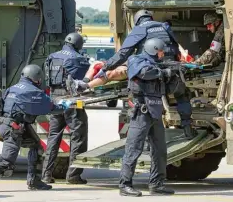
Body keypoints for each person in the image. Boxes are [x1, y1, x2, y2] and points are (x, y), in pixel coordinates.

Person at [70, 10, 197, 139]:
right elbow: (175, 48)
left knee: (143, 106)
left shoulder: (139, 30)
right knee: (182, 95)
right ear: (151, 17)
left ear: (137, 21)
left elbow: (122, 54)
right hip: (171, 72)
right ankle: (188, 129)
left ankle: (84, 85)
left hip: (150, 75)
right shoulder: (165, 27)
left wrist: (106, 67)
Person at [0, 64, 71, 192]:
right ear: (36, 78)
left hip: (14, 125)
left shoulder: (13, 88)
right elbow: (51, 108)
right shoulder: (32, 91)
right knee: (6, 163)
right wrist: (66, 105)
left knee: (36, 147)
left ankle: (34, 181)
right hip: (13, 128)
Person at [119, 38, 175, 197]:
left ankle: (157, 184)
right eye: (160, 51)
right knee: (133, 148)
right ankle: (125, 184)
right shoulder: (137, 60)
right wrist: (161, 72)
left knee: (160, 150)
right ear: (153, 49)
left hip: (155, 111)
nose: (162, 54)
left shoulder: (157, 63)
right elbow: (143, 72)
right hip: (141, 112)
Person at [41, 32, 90, 184]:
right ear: (78, 44)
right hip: (71, 99)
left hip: (55, 98)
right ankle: (73, 175)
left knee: (53, 137)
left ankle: (46, 174)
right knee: (78, 136)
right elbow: (83, 78)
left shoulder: (52, 57)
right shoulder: (77, 58)